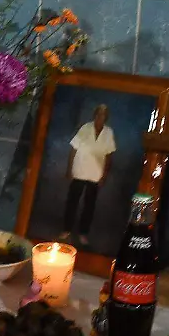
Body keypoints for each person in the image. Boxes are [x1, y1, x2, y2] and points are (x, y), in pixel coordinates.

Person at [61, 104, 116, 246]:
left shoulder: (108, 132)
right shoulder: (85, 128)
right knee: (72, 202)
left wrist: (104, 175)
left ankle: (83, 233)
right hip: (79, 171)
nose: (100, 117)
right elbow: (73, 149)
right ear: (94, 115)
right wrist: (69, 169)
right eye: (98, 114)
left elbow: (109, 156)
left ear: (106, 117)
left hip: (96, 174)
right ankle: (66, 230)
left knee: (89, 205)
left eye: (103, 115)